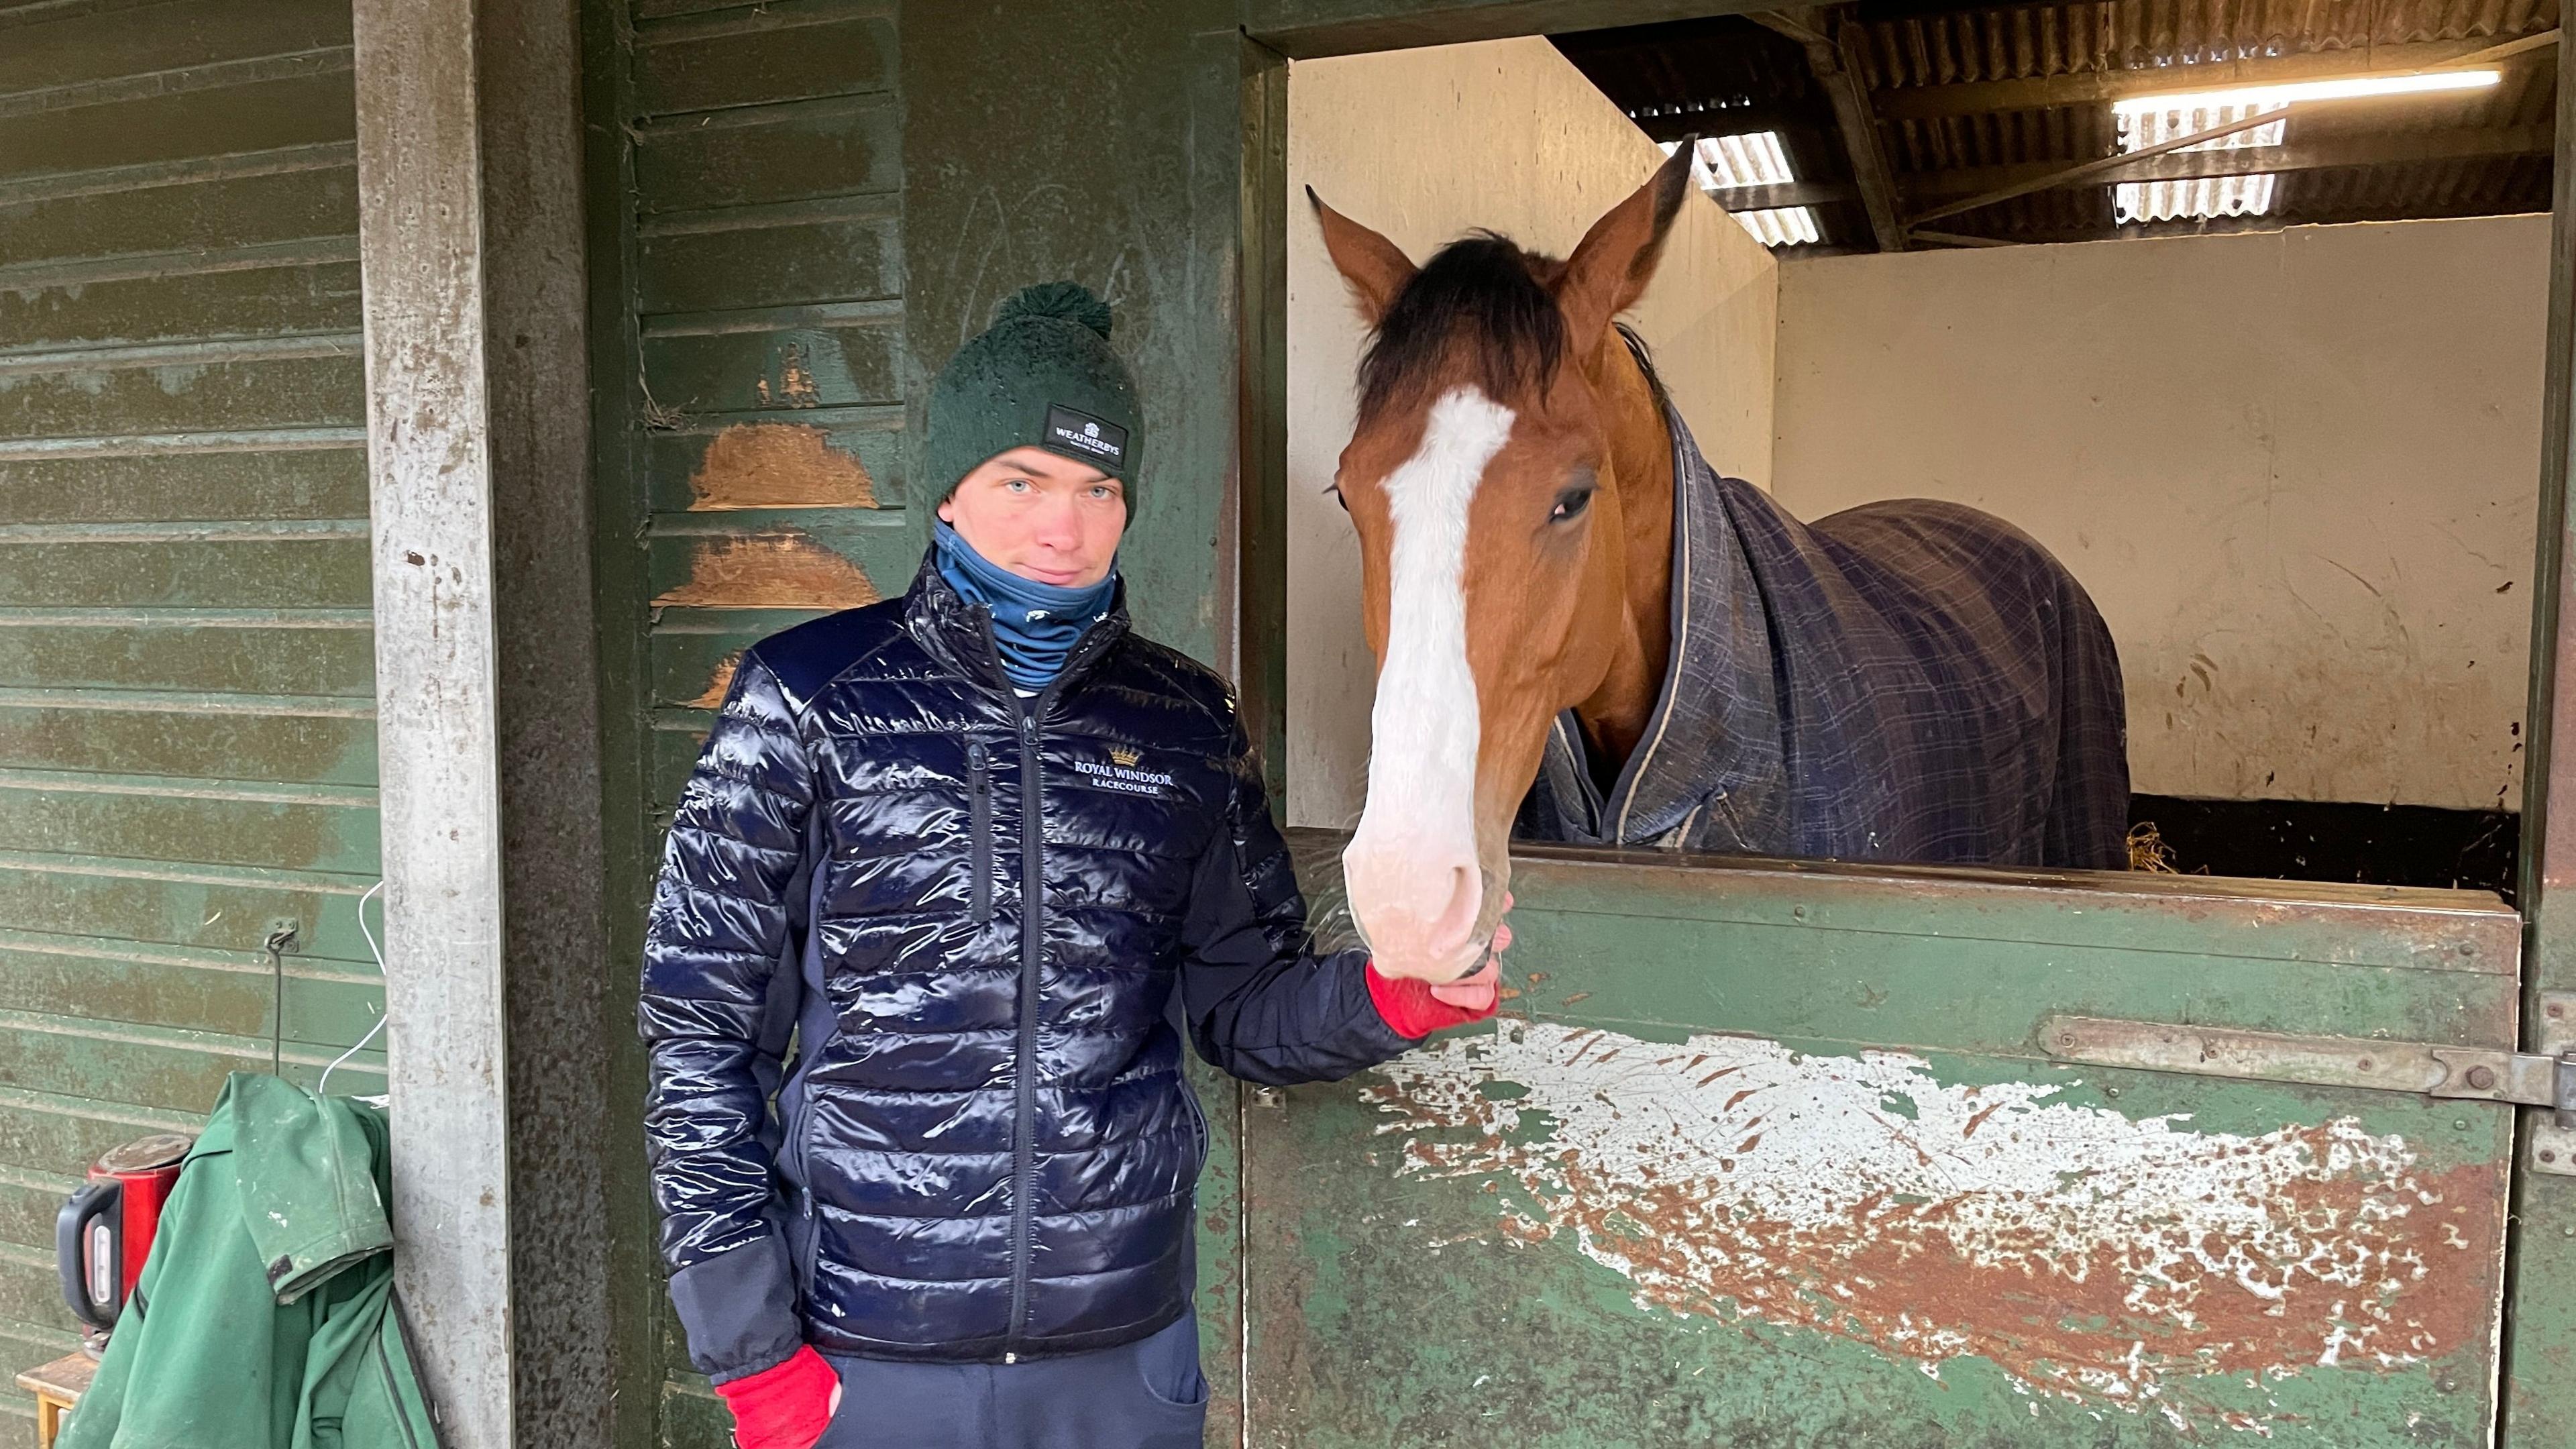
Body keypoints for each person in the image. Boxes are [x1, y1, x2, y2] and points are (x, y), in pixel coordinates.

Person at [638, 281, 1506, 1449]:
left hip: (1121, 1354)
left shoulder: (1187, 722)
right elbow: (701, 1034)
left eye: (1099, 488)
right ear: (949, 491)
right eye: (1023, 481)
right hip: (866, 1352)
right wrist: (748, 1349)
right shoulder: (804, 697)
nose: (1066, 525)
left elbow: (1244, 1005)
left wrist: (1393, 996)